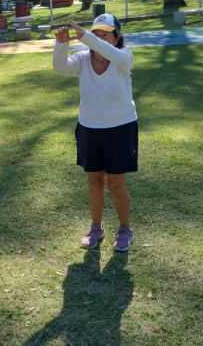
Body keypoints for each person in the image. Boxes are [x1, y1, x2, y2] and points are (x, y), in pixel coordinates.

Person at [52, 14, 138, 252]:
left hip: (121, 128)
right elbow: (59, 67)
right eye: (96, 33)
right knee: (94, 182)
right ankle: (96, 226)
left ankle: (125, 228)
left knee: (116, 185)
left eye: (105, 34)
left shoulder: (123, 58)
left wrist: (88, 37)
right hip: (89, 128)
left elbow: (109, 52)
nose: (99, 39)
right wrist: (61, 44)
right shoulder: (82, 59)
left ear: (117, 38)